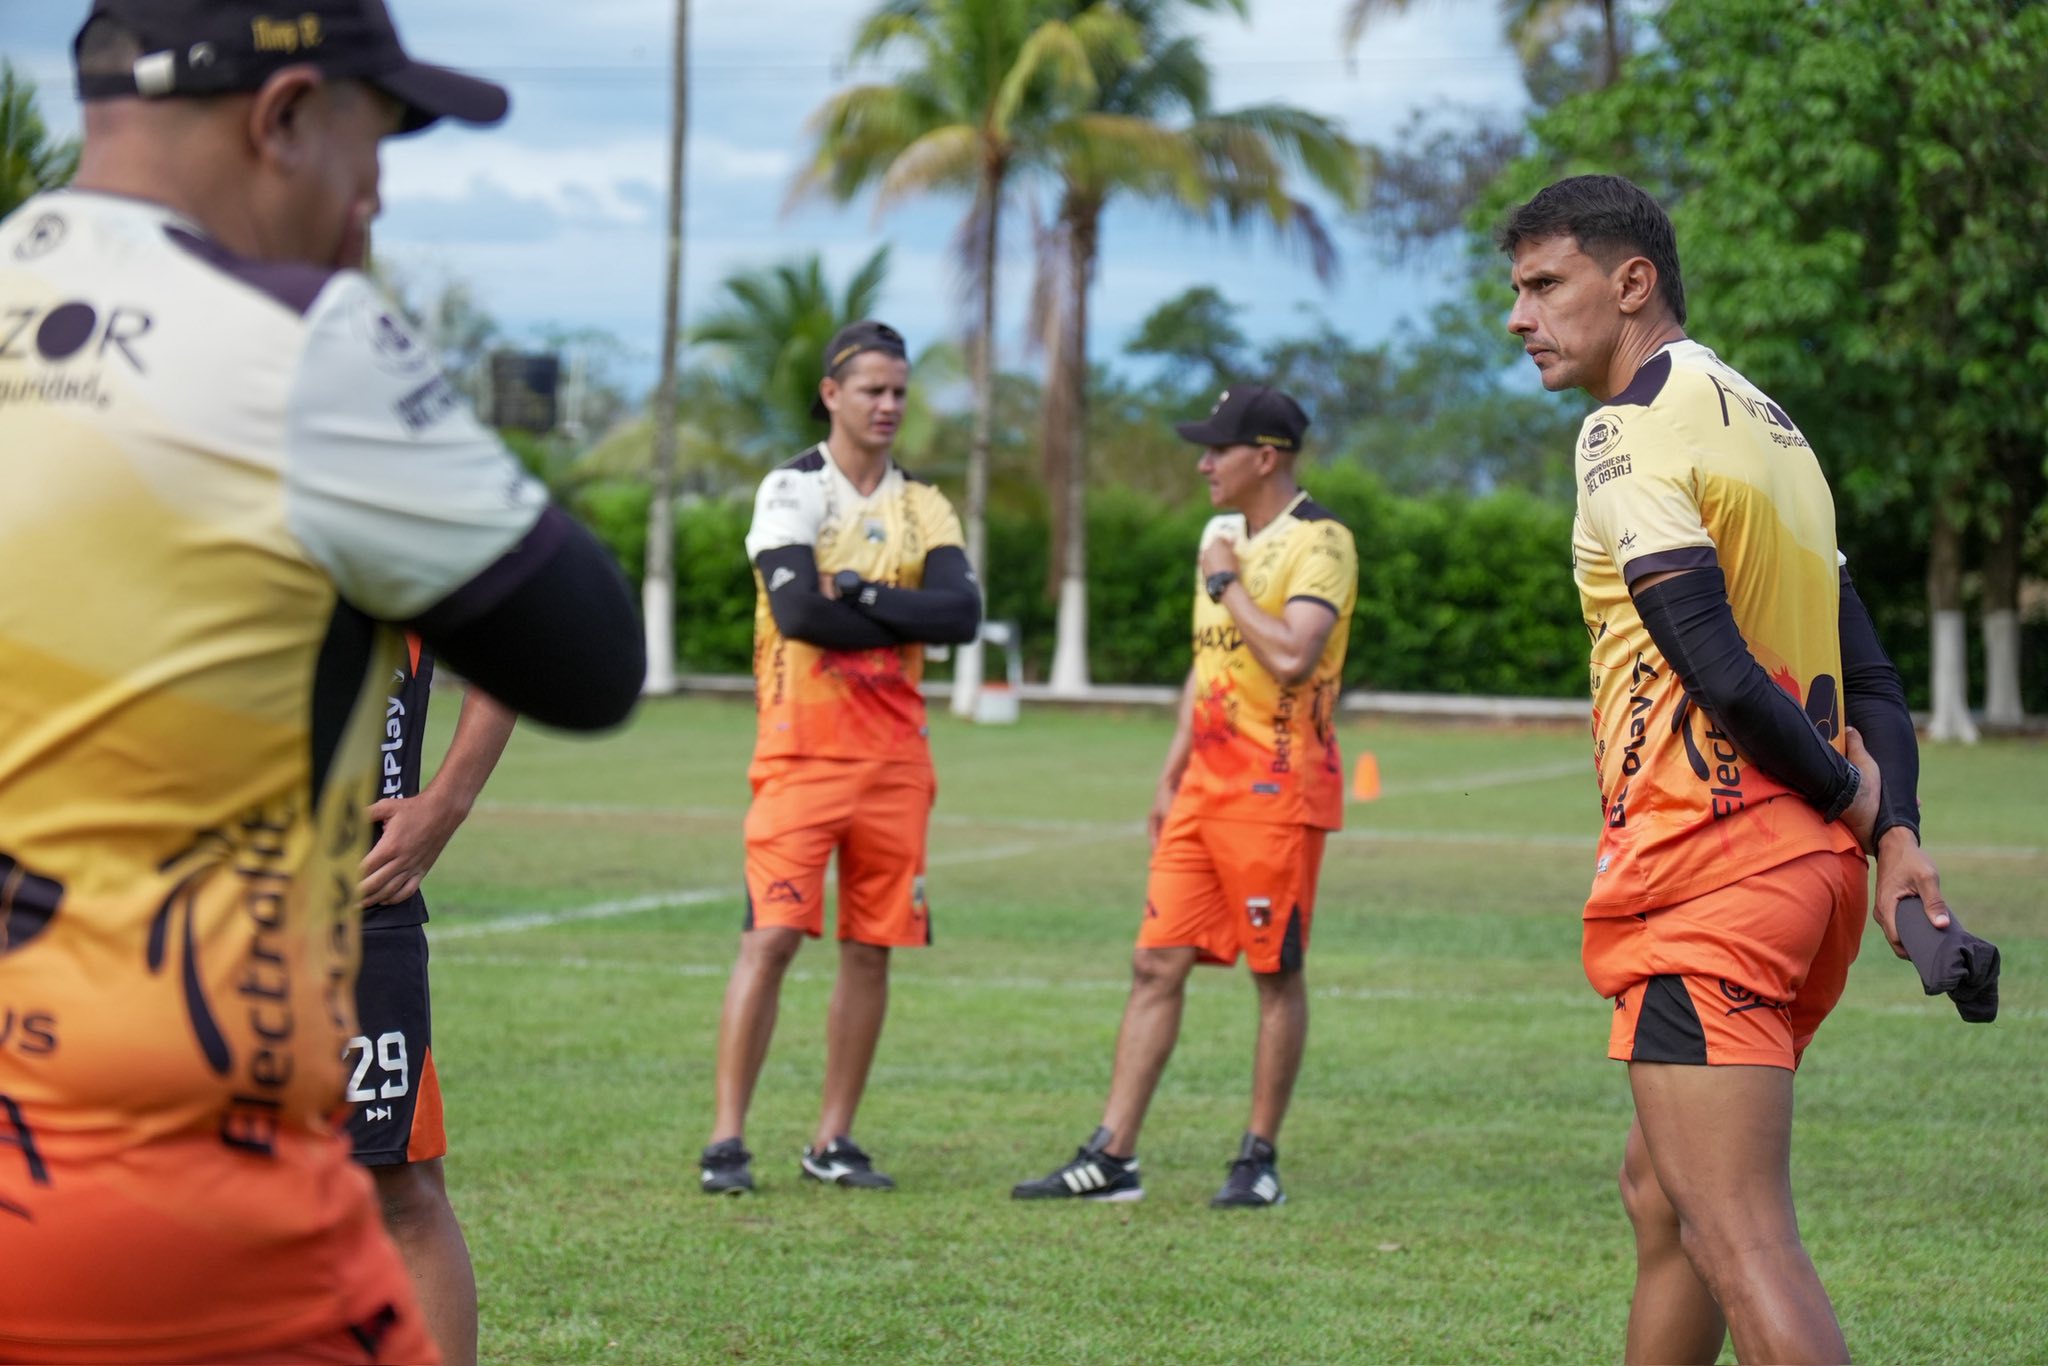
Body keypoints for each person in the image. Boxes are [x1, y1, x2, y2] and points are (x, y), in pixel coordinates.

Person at [0, 2, 644, 1361]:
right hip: (191, 1213)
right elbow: (587, 654)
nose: (374, 199)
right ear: (284, 116)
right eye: (376, 139)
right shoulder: (294, 338)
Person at [1497, 172, 1950, 1364]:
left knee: (1741, 1235)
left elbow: (1722, 670)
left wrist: (1860, 801)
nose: (1517, 318)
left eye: (1543, 285)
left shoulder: (1624, 429)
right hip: (1806, 884)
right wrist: (1890, 831)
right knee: (1664, 1197)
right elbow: (1878, 685)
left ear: (1630, 280)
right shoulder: (1770, 426)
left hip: (1710, 868)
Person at [1013, 385, 1357, 1208]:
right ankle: (1113, 1155)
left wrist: (1225, 585)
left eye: (1216, 449)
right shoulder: (1221, 538)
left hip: (1277, 792)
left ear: (1265, 457)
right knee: (1153, 963)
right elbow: (1208, 665)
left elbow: (1293, 659)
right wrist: (1171, 772)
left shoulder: (1323, 542)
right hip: (1202, 793)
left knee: (1275, 974)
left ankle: (1257, 1159)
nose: (1203, 463)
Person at [699, 321, 982, 1196]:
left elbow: (961, 617)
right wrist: (898, 608)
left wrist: (855, 590)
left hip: (896, 763)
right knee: (772, 937)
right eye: (873, 390)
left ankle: (833, 1139)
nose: (889, 405)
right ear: (832, 393)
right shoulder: (792, 491)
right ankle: (727, 1140)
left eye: (899, 391)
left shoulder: (925, 505)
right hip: (800, 757)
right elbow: (799, 621)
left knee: (872, 949)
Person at [349, 635, 517, 1366]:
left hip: (357, 900)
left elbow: (517, 639)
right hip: (182, 901)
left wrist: (445, 803)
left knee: (401, 1188)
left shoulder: (391, 525)